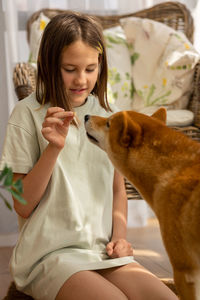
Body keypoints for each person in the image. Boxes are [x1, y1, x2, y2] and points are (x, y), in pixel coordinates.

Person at [0, 11, 178, 300]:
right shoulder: (25, 114)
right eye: (70, 68)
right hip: (49, 255)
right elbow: (22, 205)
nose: (81, 79)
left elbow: (117, 189)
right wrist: (53, 149)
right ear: (48, 65)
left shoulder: (108, 117)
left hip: (99, 252)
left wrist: (120, 236)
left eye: (91, 68)